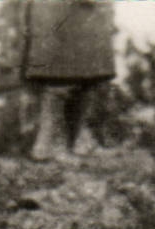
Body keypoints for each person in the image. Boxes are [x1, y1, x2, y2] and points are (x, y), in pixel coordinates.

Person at [22, 0, 116, 161]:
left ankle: (75, 140)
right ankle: (46, 145)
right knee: (59, 80)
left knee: (86, 79)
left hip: (86, 15)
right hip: (59, 13)